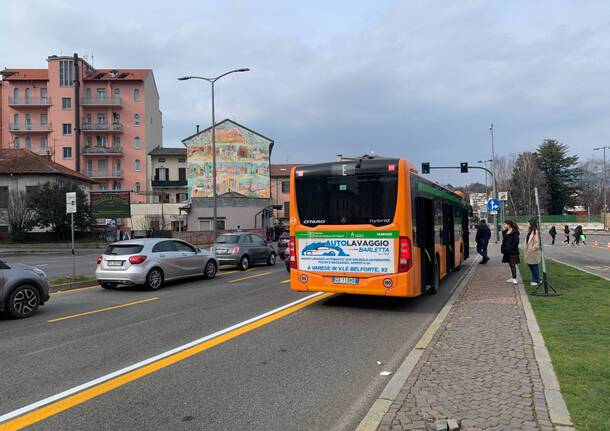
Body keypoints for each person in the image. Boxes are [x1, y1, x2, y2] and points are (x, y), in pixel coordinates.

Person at [501, 220, 520, 285]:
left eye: (505, 224)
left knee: (513, 264)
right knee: (510, 264)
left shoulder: (515, 232)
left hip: (513, 251)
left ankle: (514, 278)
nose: (504, 225)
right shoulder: (506, 231)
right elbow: (504, 239)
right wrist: (503, 231)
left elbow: (516, 242)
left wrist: (511, 248)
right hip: (507, 251)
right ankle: (513, 277)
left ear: (508, 225)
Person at [524, 219, 541, 286]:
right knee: (530, 265)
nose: (527, 224)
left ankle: (536, 280)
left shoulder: (535, 232)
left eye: (528, 223)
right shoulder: (529, 231)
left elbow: (537, 242)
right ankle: (537, 279)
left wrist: (533, 248)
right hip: (528, 251)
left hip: (532, 252)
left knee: (534, 266)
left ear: (531, 224)